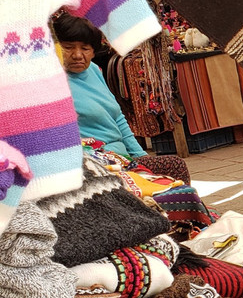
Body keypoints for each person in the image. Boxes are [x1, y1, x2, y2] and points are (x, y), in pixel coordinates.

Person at [54, 13, 191, 184]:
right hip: (96, 164)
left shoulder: (94, 71)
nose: (77, 55)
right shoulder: (52, 83)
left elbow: (118, 118)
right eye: (68, 47)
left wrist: (140, 156)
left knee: (174, 168)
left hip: (122, 158)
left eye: (85, 48)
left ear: (94, 51)